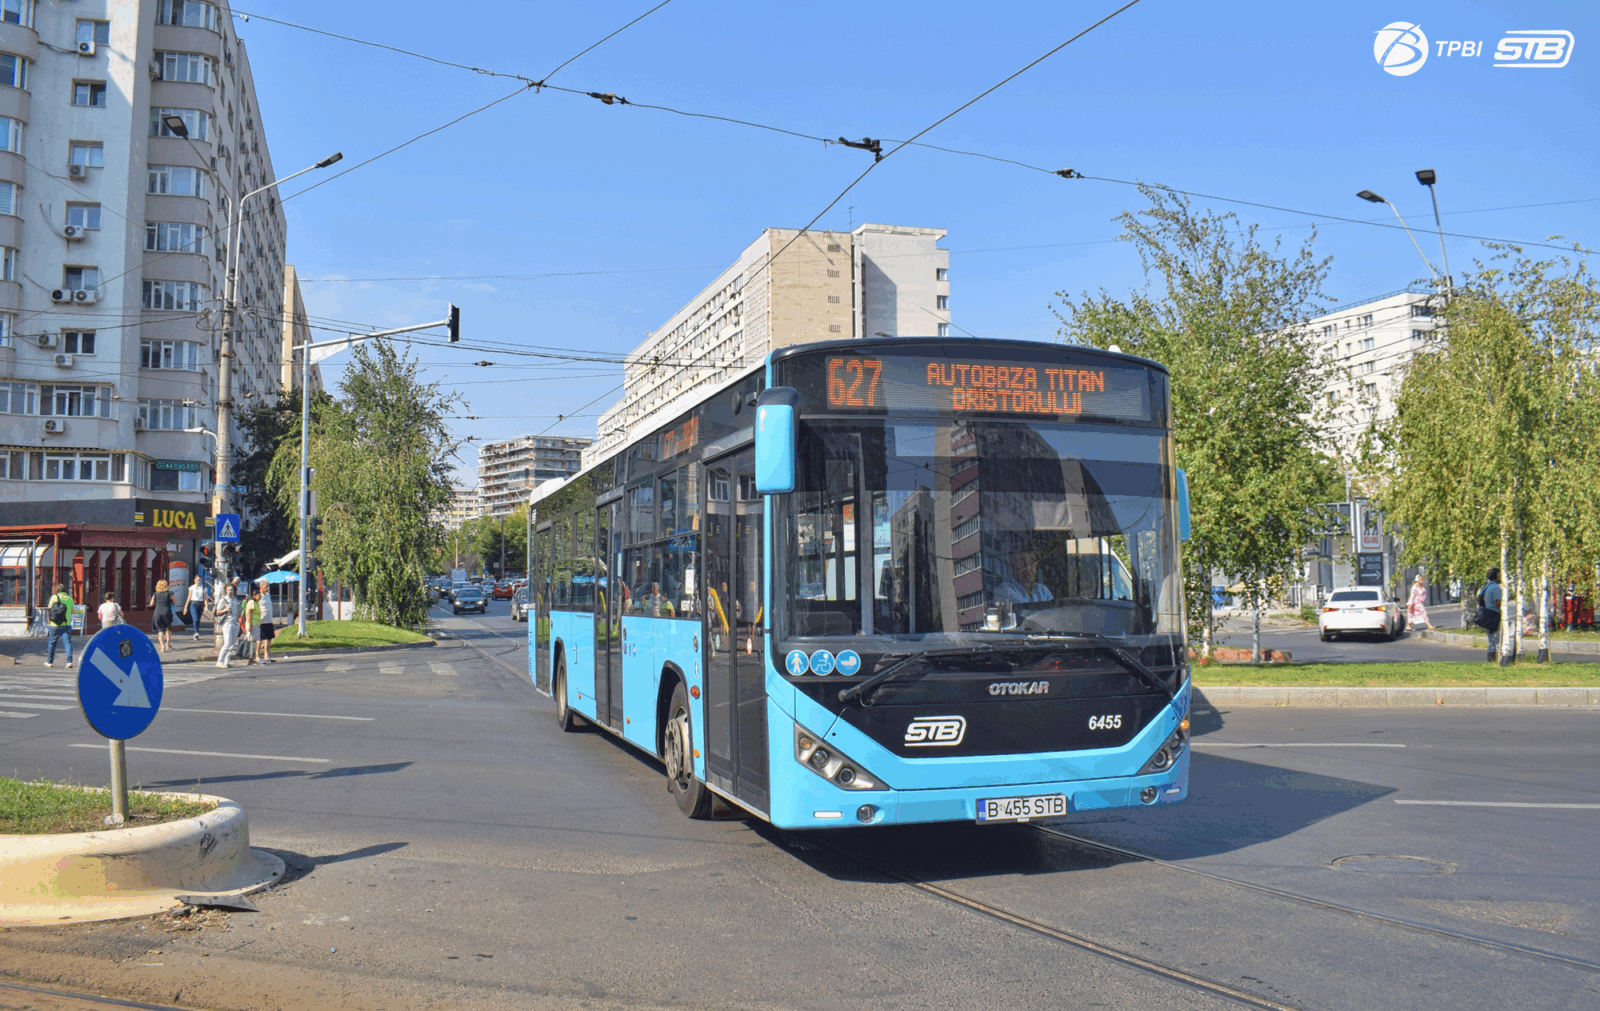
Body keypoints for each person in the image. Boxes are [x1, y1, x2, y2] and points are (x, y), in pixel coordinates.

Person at [43, 582, 75, 668]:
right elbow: (72, 612)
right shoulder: (69, 598)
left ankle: (49, 662)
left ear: (57, 590)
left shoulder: (54, 597)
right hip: (66, 624)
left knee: (51, 643)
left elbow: (49, 610)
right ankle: (69, 662)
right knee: (67, 643)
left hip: (54, 624)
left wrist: (49, 622)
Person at [1481, 567, 1504, 661]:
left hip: (1486, 614)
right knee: (1496, 639)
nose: (1500, 576)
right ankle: (1496, 659)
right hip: (1494, 615)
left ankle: (1490, 659)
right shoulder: (1496, 588)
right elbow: (1498, 603)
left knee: (1491, 639)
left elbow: (1479, 598)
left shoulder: (1487, 586)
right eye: (1499, 574)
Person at [214, 581, 239, 668]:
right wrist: (225, 609)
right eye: (228, 590)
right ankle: (219, 661)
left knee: (232, 644)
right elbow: (217, 612)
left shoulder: (234, 600)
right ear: (226, 591)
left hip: (235, 623)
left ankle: (226, 661)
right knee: (227, 643)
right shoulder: (223, 600)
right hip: (227, 623)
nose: (229, 592)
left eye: (231, 590)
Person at [148, 579, 175, 652]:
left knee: (160, 630)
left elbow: (151, 604)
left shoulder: (155, 594)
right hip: (167, 611)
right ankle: (168, 643)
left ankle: (162, 646)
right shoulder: (169, 593)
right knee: (168, 628)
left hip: (158, 612)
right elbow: (175, 602)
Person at [256, 581, 276, 663]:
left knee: (269, 638)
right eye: (265, 586)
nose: (267, 588)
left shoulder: (268, 595)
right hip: (261, 620)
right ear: (261, 586)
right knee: (260, 639)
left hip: (269, 620)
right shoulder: (258, 596)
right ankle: (257, 655)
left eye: (268, 586)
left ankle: (266, 655)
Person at [243, 588, 264, 666]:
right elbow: (248, 614)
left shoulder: (256, 603)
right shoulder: (251, 602)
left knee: (254, 641)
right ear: (254, 596)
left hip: (257, 624)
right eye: (259, 595)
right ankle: (255, 657)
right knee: (256, 641)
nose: (260, 597)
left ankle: (252, 658)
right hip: (253, 624)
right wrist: (249, 624)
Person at [183, 575, 206, 640]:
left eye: (199, 580)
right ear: (194, 580)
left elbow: (205, 598)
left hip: (200, 603)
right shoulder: (191, 588)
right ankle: (196, 633)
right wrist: (186, 607)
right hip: (193, 603)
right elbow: (189, 597)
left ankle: (196, 632)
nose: (198, 581)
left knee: (198, 620)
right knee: (195, 619)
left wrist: (206, 606)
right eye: (197, 580)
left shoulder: (203, 588)